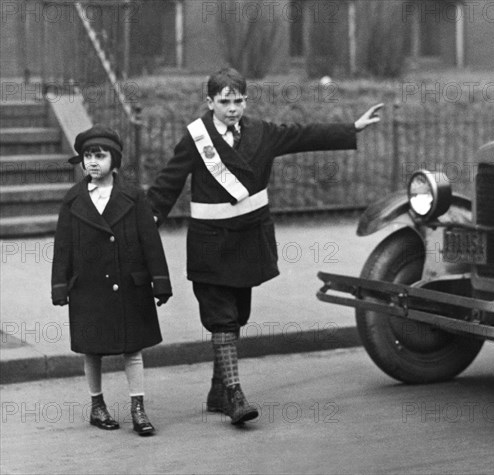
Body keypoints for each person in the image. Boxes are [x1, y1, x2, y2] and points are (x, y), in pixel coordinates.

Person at [146, 67, 382, 425]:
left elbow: (304, 136)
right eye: (224, 102)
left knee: (238, 316)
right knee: (221, 318)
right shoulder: (197, 138)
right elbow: (167, 185)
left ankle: (216, 391)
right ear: (210, 102)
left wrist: (352, 128)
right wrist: (145, 225)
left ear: (246, 101)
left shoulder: (262, 132)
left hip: (248, 241)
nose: (232, 108)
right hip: (210, 243)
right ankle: (234, 395)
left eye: (238, 100)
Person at [51, 125, 172, 436]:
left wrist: (160, 281)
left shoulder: (133, 196)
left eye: (100, 156)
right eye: (88, 156)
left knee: (133, 349)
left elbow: (150, 241)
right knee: (92, 350)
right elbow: (62, 245)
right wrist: (60, 285)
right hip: (88, 287)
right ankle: (97, 405)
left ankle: (138, 407)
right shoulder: (73, 199)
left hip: (128, 285)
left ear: (113, 160)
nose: (93, 162)